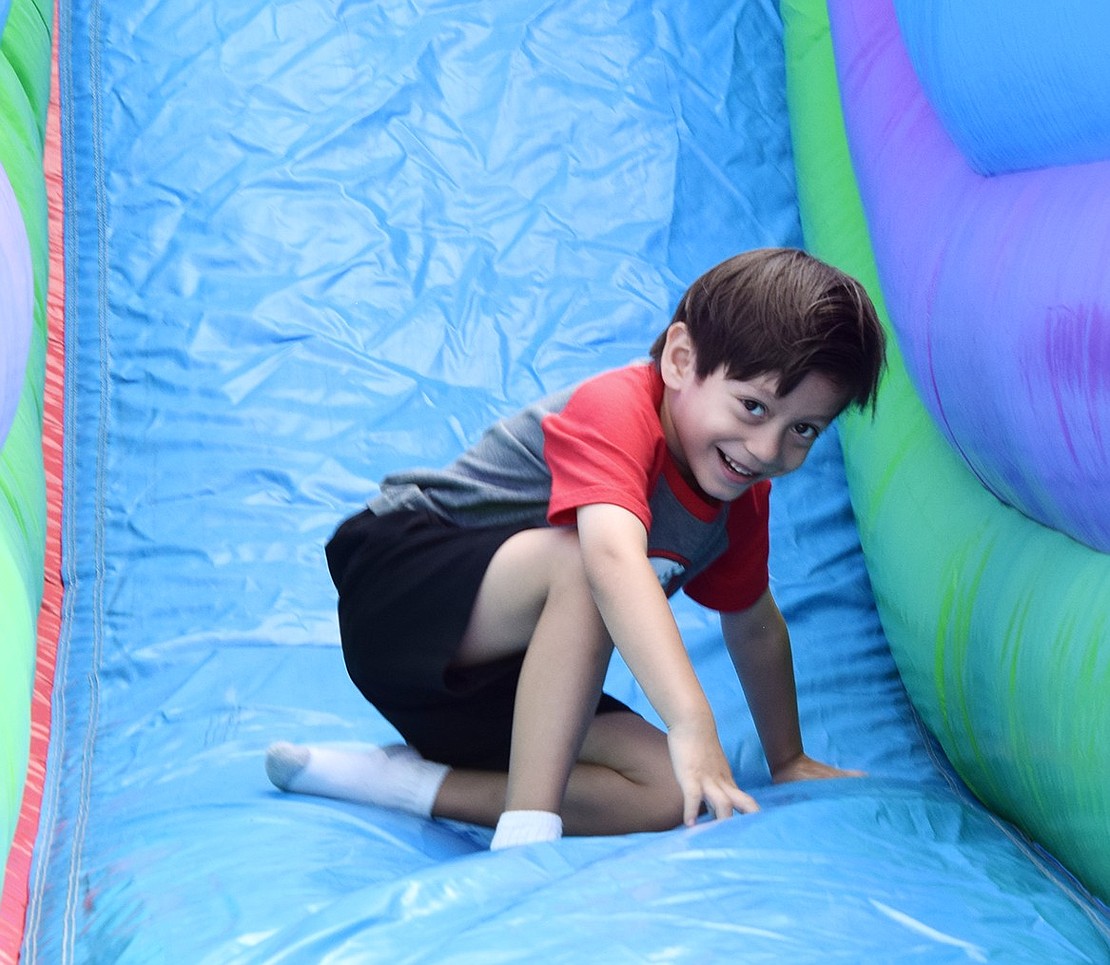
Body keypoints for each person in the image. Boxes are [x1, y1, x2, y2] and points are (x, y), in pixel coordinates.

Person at [266, 247, 886, 850]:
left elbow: (753, 623)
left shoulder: (739, 496)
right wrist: (692, 722)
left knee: (671, 790)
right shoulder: (618, 408)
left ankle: (411, 785)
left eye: (802, 430)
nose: (768, 450)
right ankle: (527, 832)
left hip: (491, 684)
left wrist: (788, 759)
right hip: (400, 592)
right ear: (679, 360)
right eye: (753, 406)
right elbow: (610, 560)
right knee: (587, 559)